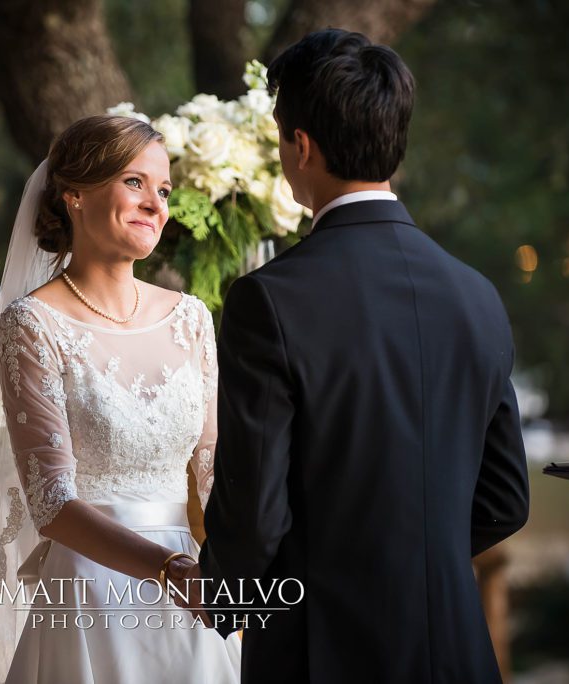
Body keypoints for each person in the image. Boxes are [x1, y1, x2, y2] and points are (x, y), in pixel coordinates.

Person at [191, 29, 529, 682]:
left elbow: (257, 510)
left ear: (301, 145)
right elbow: (508, 498)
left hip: (322, 647)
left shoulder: (269, 300)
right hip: (458, 646)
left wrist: (223, 593)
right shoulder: (478, 295)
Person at [0, 115, 240, 683]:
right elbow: (52, 505)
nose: (156, 204)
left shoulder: (191, 319)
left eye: (163, 189)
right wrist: (169, 570)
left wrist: (237, 569)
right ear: (74, 193)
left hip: (199, 596)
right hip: (91, 591)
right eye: (135, 182)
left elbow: (212, 471)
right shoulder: (32, 323)